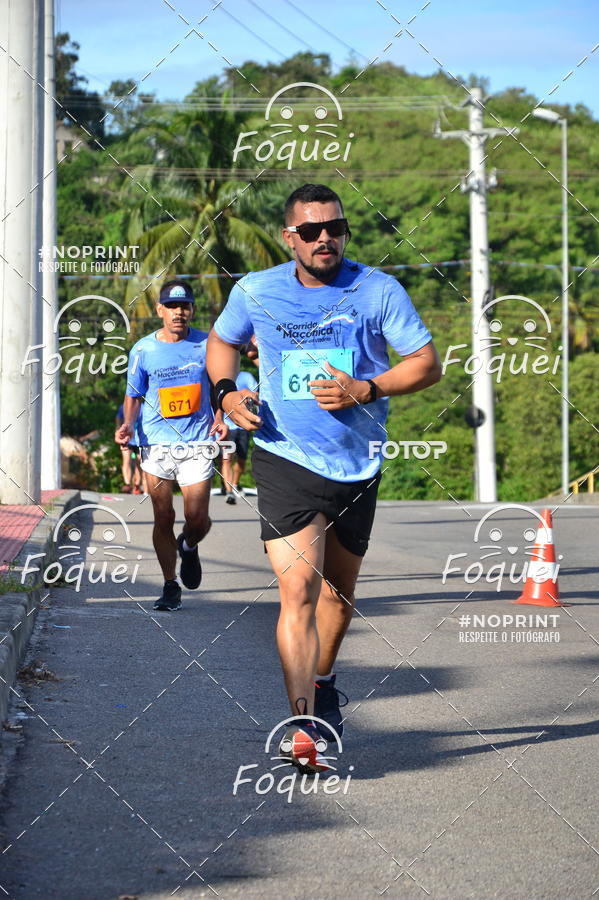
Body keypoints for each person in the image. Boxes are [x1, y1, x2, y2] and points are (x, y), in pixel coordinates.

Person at [207, 183, 442, 772]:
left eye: (333, 228)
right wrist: (227, 392)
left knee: (337, 594)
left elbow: (426, 364)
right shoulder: (256, 291)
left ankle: (326, 680)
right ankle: (302, 719)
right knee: (298, 591)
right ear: (290, 237)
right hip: (285, 454)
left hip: (357, 460)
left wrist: (368, 387)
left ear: (344, 231)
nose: (324, 240)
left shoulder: (377, 290)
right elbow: (221, 342)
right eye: (310, 232)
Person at [115, 279, 227, 611]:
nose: (179, 312)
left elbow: (221, 386)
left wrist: (220, 417)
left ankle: (189, 545)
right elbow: (133, 395)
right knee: (162, 515)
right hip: (156, 444)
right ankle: (169, 585)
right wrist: (127, 424)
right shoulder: (143, 350)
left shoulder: (208, 344)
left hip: (197, 442)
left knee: (197, 517)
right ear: (160, 310)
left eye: (185, 306)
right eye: (173, 306)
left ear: (192, 309)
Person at [221, 361, 258, 504]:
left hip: (243, 426)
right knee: (226, 459)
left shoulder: (246, 376)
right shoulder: (220, 378)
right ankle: (229, 492)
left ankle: (235, 484)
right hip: (227, 427)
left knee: (241, 460)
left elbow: (256, 392)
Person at [115, 403, 147, 494]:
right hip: (127, 439)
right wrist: (118, 429)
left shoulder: (143, 407)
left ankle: (137, 485)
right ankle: (127, 484)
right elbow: (118, 418)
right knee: (126, 460)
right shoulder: (123, 406)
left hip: (139, 440)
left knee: (139, 463)